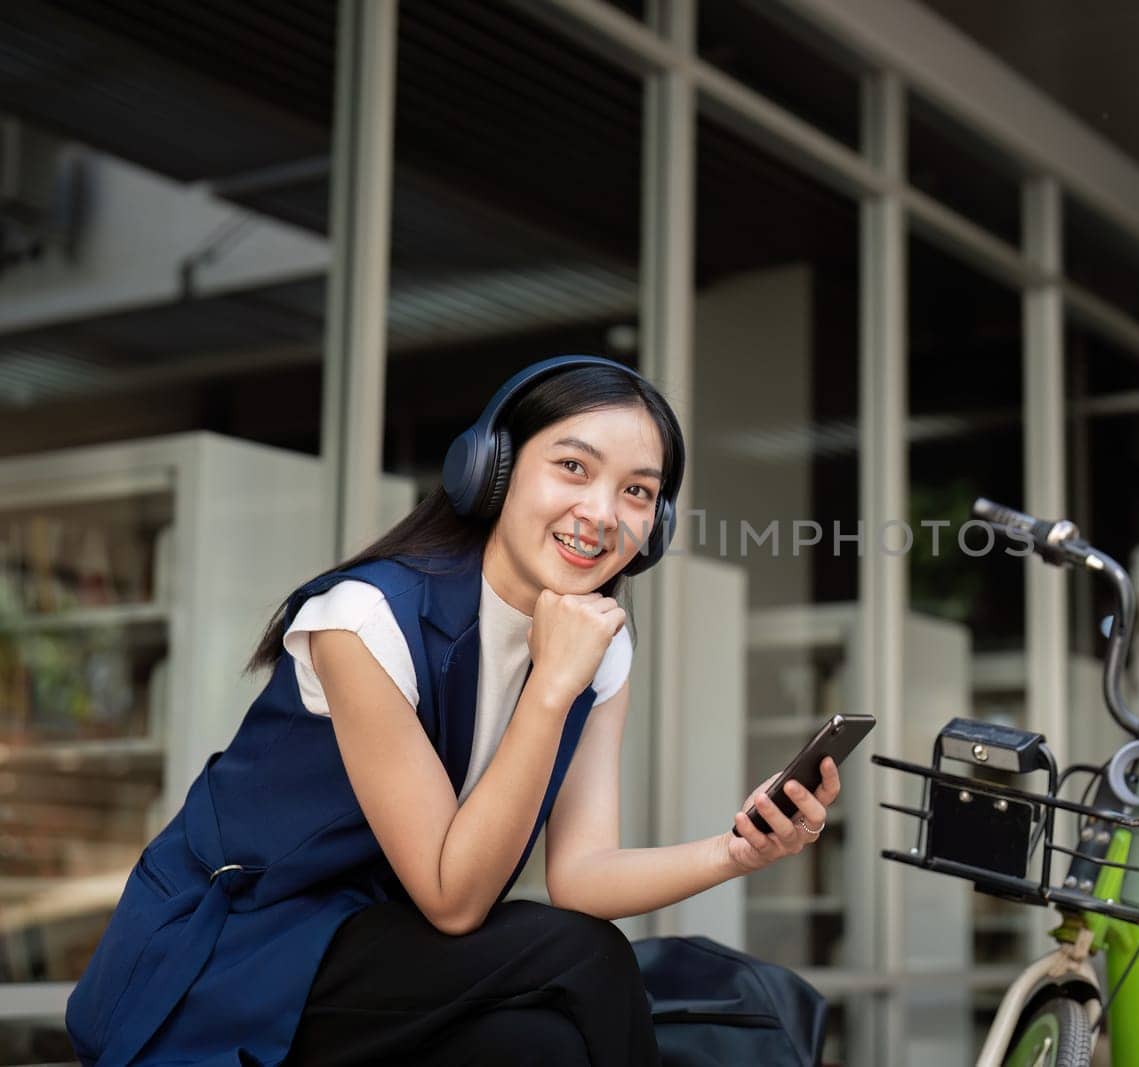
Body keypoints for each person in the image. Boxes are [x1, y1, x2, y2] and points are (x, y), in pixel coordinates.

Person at [65, 355, 842, 1066]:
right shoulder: (363, 620)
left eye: (637, 491)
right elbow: (453, 896)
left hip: (369, 952)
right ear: (492, 470)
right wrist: (549, 686)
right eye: (573, 466)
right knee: (588, 956)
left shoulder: (600, 645)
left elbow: (579, 874)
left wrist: (738, 851)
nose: (603, 512)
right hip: (230, 950)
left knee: (541, 1040)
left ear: (656, 526)